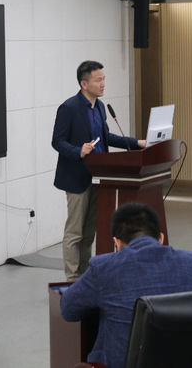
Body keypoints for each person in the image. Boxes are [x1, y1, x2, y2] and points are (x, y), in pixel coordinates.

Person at [59, 202, 192, 368]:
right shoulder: (191, 262)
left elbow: (68, 310)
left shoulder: (104, 268)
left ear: (117, 243)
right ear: (161, 238)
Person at [52, 60, 145, 281]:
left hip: (100, 177)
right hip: (76, 178)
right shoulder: (69, 108)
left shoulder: (100, 107)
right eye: (98, 80)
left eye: (104, 79)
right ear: (84, 84)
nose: (103, 84)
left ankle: (85, 276)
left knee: (89, 233)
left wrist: (137, 143)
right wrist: (78, 151)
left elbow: (106, 137)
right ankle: (72, 280)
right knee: (75, 233)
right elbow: (57, 141)